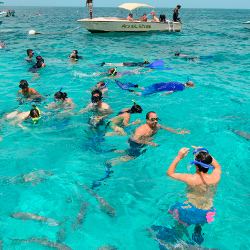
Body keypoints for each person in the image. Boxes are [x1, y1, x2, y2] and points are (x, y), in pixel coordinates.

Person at [166, 146, 221, 245]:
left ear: (195, 165)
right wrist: (205, 152)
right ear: (209, 164)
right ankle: (197, 234)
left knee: (179, 228)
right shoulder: (215, 177)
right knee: (199, 224)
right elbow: (217, 166)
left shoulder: (190, 179)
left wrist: (179, 157)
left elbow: (170, 173)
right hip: (207, 212)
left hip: (190, 210)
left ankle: (175, 243)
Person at [108, 112, 189, 164]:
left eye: (156, 119)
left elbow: (167, 128)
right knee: (133, 157)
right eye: (153, 119)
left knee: (130, 152)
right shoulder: (142, 129)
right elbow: (135, 139)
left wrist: (178, 132)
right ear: (147, 120)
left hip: (143, 142)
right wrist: (149, 143)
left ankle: (118, 151)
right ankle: (114, 161)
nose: (156, 121)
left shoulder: (157, 126)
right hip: (135, 143)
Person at [128, 81, 195, 96]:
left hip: (159, 84)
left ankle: (137, 87)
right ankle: (134, 91)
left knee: (145, 88)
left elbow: (168, 82)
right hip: (160, 88)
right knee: (143, 94)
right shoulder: (181, 88)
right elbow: (171, 91)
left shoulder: (178, 82)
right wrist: (163, 95)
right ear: (188, 86)